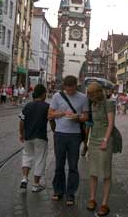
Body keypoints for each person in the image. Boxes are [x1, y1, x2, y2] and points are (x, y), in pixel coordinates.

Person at [48, 75, 89, 206]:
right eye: (68, 89)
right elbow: (49, 114)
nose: (70, 92)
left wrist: (78, 117)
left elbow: (86, 117)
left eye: (72, 89)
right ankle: (58, 190)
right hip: (60, 134)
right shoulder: (57, 97)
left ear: (76, 86)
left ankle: (70, 194)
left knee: (73, 166)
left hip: (75, 135)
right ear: (64, 87)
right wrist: (59, 114)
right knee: (59, 164)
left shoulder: (83, 97)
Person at [86, 82, 115, 216]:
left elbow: (110, 124)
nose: (90, 97)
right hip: (93, 140)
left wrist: (105, 140)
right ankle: (92, 199)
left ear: (97, 93)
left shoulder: (109, 103)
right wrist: (87, 140)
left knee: (106, 172)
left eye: (91, 95)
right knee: (93, 171)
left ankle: (104, 203)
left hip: (105, 140)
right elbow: (91, 124)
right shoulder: (93, 104)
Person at [19, 84, 49, 192]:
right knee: (40, 160)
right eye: (46, 93)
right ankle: (36, 185)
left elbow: (22, 121)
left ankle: (24, 178)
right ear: (43, 94)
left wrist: (21, 134)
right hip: (41, 137)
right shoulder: (46, 106)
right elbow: (52, 120)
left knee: (27, 156)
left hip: (28, 136)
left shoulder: (27, 106)